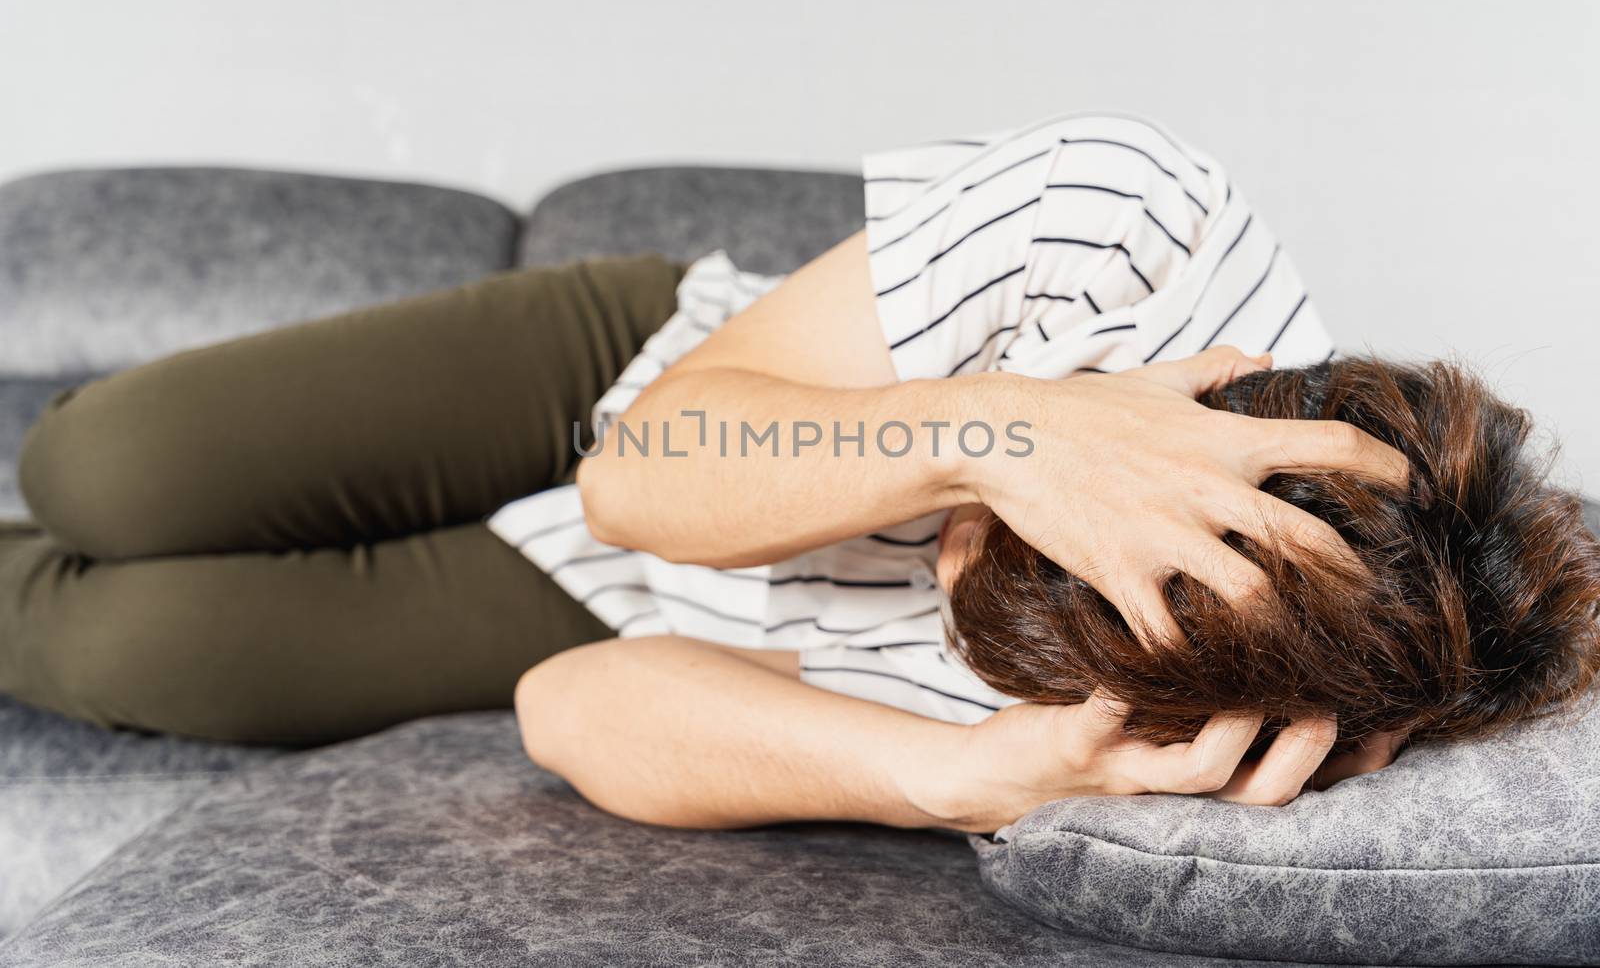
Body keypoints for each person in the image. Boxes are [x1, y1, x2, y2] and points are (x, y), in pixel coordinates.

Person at [2, 112, 1564, 837]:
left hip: (610, 606)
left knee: (126, 645)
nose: (936, 571)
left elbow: (569, 705)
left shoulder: (1152, 711)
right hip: (644, 394)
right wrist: (992, 433)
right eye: (979, 547)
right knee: (104, 469)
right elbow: (635, 478)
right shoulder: (1136, 223)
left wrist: (957, 779)